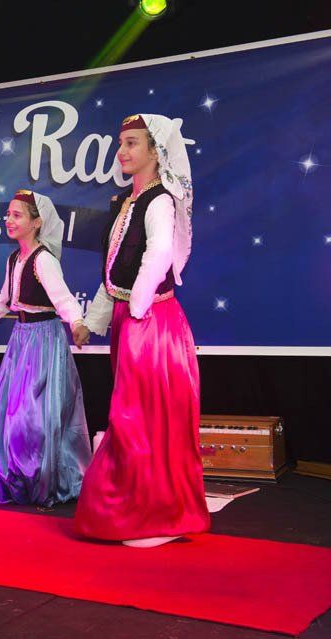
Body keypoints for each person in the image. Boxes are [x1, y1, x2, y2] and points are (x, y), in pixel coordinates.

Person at [73, 113, 210, 548]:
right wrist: (94, 322)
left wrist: (137, 306)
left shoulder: (160, 200)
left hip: (153, 324)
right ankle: (138, 508)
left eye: (132, 143)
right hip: (131, 319)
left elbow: (159, 254)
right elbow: (114, 272)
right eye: (121, 143)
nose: (123, 151)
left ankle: (156, 514)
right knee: (133, 420)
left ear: (156, 152)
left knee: (143, 421)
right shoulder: (125, 202)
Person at [0, 189, 91, 506]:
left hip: (44, 341)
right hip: (22, 339)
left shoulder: (43, 260)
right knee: (12, 413)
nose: (9, 220)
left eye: (17, 215)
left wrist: (78, 324)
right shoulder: (15, 258)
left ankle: (43, 478)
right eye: (8, 214)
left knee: (35, 417)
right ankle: (20, 476)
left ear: (37, 222)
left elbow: (64, 299)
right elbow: (3, 300)